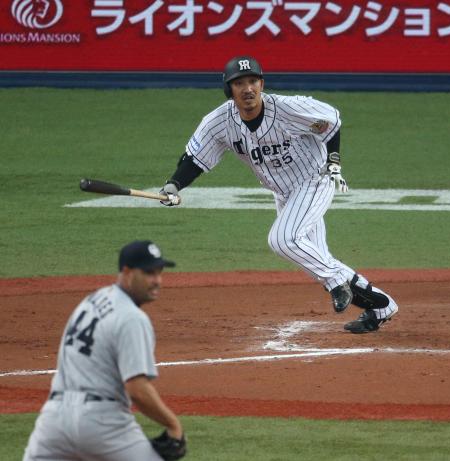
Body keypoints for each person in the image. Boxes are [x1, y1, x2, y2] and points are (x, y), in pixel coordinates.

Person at [159, 56, 398, 334]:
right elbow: (194, 158)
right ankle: (381, 305)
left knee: (283, 240)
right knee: (314, 257)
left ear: (261, 84)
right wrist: (174, 185)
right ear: (229, 90)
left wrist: (334, 158)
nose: (247, 89)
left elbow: (331, 119)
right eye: (239, 83)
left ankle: (336, 282)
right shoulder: (219, 122)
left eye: (252, 82)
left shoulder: (286, 108)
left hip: (313, 181)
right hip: (283, 192)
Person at [23, 240, 186, 461]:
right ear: (127, 272)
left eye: (159, 273)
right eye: (149, 273)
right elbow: (137, 389)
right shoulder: (132, 318)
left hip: (53, 421)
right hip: (101, 423)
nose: (157, 281)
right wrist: (173, 425)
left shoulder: (92, 300)